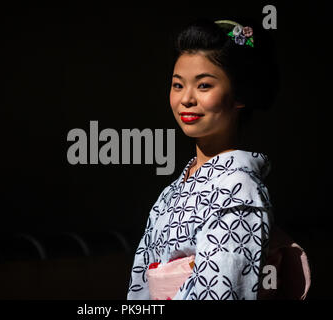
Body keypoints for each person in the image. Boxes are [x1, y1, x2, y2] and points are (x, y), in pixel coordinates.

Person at [127, 18, 310, 300]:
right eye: (178, 85)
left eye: (203, 86)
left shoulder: (239, 189)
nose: (186, 98)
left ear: (240, 94)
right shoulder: (171, 193)